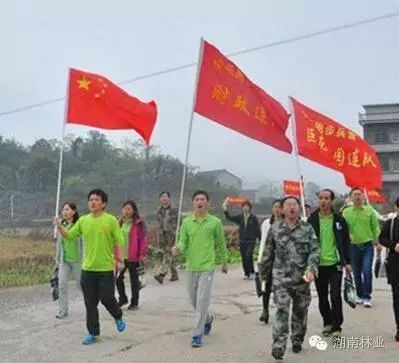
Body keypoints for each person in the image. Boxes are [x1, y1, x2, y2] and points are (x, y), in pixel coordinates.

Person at [54, 189, 126, 345]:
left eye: (96, 200)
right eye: (90, 200)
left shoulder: (111, 220)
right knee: (90, 303)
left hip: (106, 268)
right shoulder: (83, 221)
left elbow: (119, 241)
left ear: (103, 203)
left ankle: (118, 315)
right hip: (88, 269)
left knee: (107, 298)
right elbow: (69, 236)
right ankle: (93, 333)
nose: (92, 202)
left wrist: (119, 260)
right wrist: (59, 226)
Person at [260, 196, 319, 360]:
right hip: (281, 279)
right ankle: (278, 345)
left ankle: (297, 339)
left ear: (299, 208)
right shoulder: (275, 228)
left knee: (300, 312)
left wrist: (311, 269)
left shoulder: (307, 229)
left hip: (302, 279)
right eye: (288, 205)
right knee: (281, 311)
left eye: (294, 204)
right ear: (283, 209)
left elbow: (314, 251)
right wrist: (264, 276)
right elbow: (267, 253)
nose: (292, 207)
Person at [172, 190, 228, 348]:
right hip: (191, 266)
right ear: (193, 203)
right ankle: (208, 318)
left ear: (207, 203)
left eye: (202, 199)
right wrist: (178, 248)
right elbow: (183, 242)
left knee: (202, 300)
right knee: (195, 301)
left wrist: (224, 261)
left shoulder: (215, 222)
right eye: (197, 199)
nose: (199, 202)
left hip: (207, 267)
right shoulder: (187, 222)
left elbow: (220, 243)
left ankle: (197, 334)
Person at [308, 189, 351, 337]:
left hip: (335, 264)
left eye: (327, 198)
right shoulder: (312, 220)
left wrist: (347, 261)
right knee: (322, 297)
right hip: (318, 265)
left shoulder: (339, 220)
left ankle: (337, 326)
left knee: (335, 296)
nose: (324, 201)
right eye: (321, 198)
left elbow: (346, 242)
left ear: (331, 201)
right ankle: (327, 322)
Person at [343, 187, 380, 307]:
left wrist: (377, 241)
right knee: (357, 273)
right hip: (353, 246)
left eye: (359, 194)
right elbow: (343, 229)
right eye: (355, 194)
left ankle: (367, 296)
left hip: (368, 245)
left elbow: (375, 227)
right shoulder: (346, 212)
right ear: (351, 197)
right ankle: (359, 295)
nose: (358, 196)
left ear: (363, 197)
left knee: (367, 270)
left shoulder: (369, 211)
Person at [116, 200, 148, 310]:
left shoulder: (139, 224)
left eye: (129, 209)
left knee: (134, 280)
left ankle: (134, 302)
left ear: (134, 210)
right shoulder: (118, 223)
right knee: (118, 279)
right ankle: (122, 298)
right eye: (124, 208)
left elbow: (143, 239)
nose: (126, 211)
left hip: (133, 256)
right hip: (121, 257)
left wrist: (142, 253)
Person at [55, 201, 82, 319]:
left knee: (81, 285)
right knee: (61, 285)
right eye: (63, 209)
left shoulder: (79, 225)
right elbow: (59, 243)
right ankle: (63, 310)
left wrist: (59, 226)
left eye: (68, 209)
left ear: (74, 211)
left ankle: (91, 306)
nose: (65, 212)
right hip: (64, 259)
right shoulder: (62, 224)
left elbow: (69, 235)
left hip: (78, 260)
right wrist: (57, 257)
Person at [223, 198, 261, 280]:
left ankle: (252, 272)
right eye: (244, 206)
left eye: (247, 206)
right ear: (242, 208)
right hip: (242, 241)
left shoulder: (253, 218)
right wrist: (225, 208)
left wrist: (260, 240)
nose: (245, 208)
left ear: (250, 208)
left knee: (249, 255)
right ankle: (246, 274)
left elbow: (257, 229)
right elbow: (229, 217)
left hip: (251, 241)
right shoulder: (240, 217)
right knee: (244, 257)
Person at [258, 199, 283, 324]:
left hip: (281, 261)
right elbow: (263, 241)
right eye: (275, 207)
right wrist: (260, 258)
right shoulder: (267, 223)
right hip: (268, 259)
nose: (277, 209)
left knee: (279, 287)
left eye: (279, 207)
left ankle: (280, 310)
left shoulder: (286, 223)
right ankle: (265, 310)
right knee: (265, 285)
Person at [379, 197, 399, 342]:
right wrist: (394, 245)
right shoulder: (390, 223)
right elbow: (382, 238)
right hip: (395, 263)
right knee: (397, 297)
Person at [154, 191, 179, 284]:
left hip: (171, 234)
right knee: (166, 253)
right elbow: (158, 223)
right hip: (162, 234)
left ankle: (162, 274)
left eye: (165, 196)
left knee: (169, 252)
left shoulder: (175, 209)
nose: (164, 198)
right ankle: (174, 274)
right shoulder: (158, 210)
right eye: (162, 197)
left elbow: (179, 221)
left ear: (169, 198)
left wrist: (176, 231)